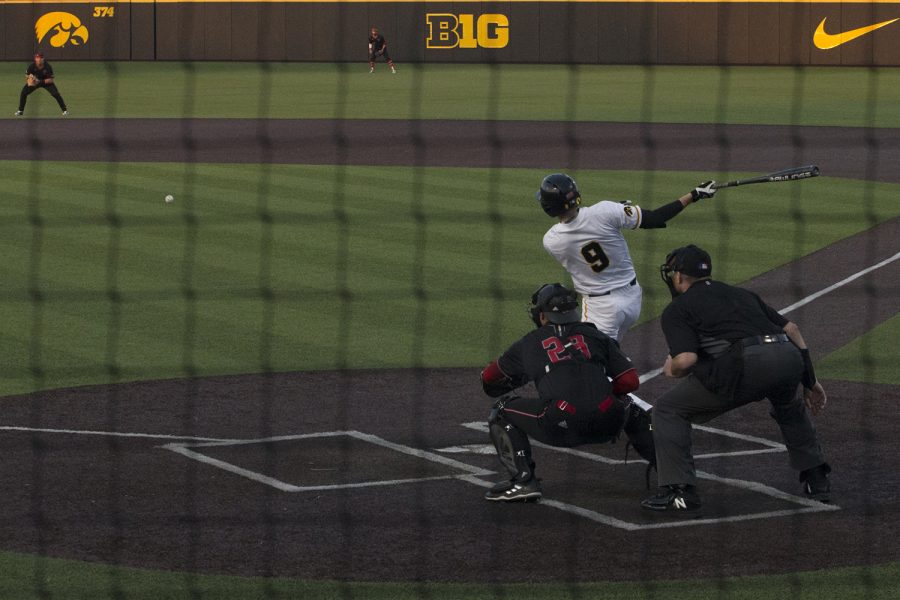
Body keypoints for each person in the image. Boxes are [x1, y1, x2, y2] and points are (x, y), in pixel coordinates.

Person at [641, 245, 831, 514]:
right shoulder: (741, 293)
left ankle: (679, 492)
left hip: (746, 365)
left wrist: (672, 370)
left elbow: (685, 360)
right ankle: (817, 479)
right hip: (788, 358)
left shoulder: (678, 308)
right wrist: (810, 381)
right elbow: (791, 329)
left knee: (668, 409)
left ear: (680, 277)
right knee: (788, 406)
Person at [479, 283, 656, 502]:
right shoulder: (597, 336)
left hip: (561, 425)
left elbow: (489, 377)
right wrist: (601, 396)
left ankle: (523, 481)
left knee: (501, 410)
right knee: (631, 407)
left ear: (542, 316)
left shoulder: (529, 343)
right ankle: (672, 475)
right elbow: (630, 381)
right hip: (608, 421)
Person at [538, 173, 715, 342]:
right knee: (612, 353)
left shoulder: (551, 241)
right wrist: (694, 195)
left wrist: (613, 213)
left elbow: (585, 231)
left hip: (601, 309)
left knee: (592, 358)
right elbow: (655, 218)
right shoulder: (605, 211)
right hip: (632, 299)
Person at [15, 52, 68, 117]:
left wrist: (39, 82)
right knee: (23, 93)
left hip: (46, 82)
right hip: (35, 82)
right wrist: (30, 79)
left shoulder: (47, 66)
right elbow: (27, 75)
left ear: (43, 59)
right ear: (35, 59)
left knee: (56, 94)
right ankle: (20, 111)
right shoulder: (32, 66)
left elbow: (50, 80)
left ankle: (64, 110)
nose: (39, 59)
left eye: (40, 58)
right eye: (37, 58)